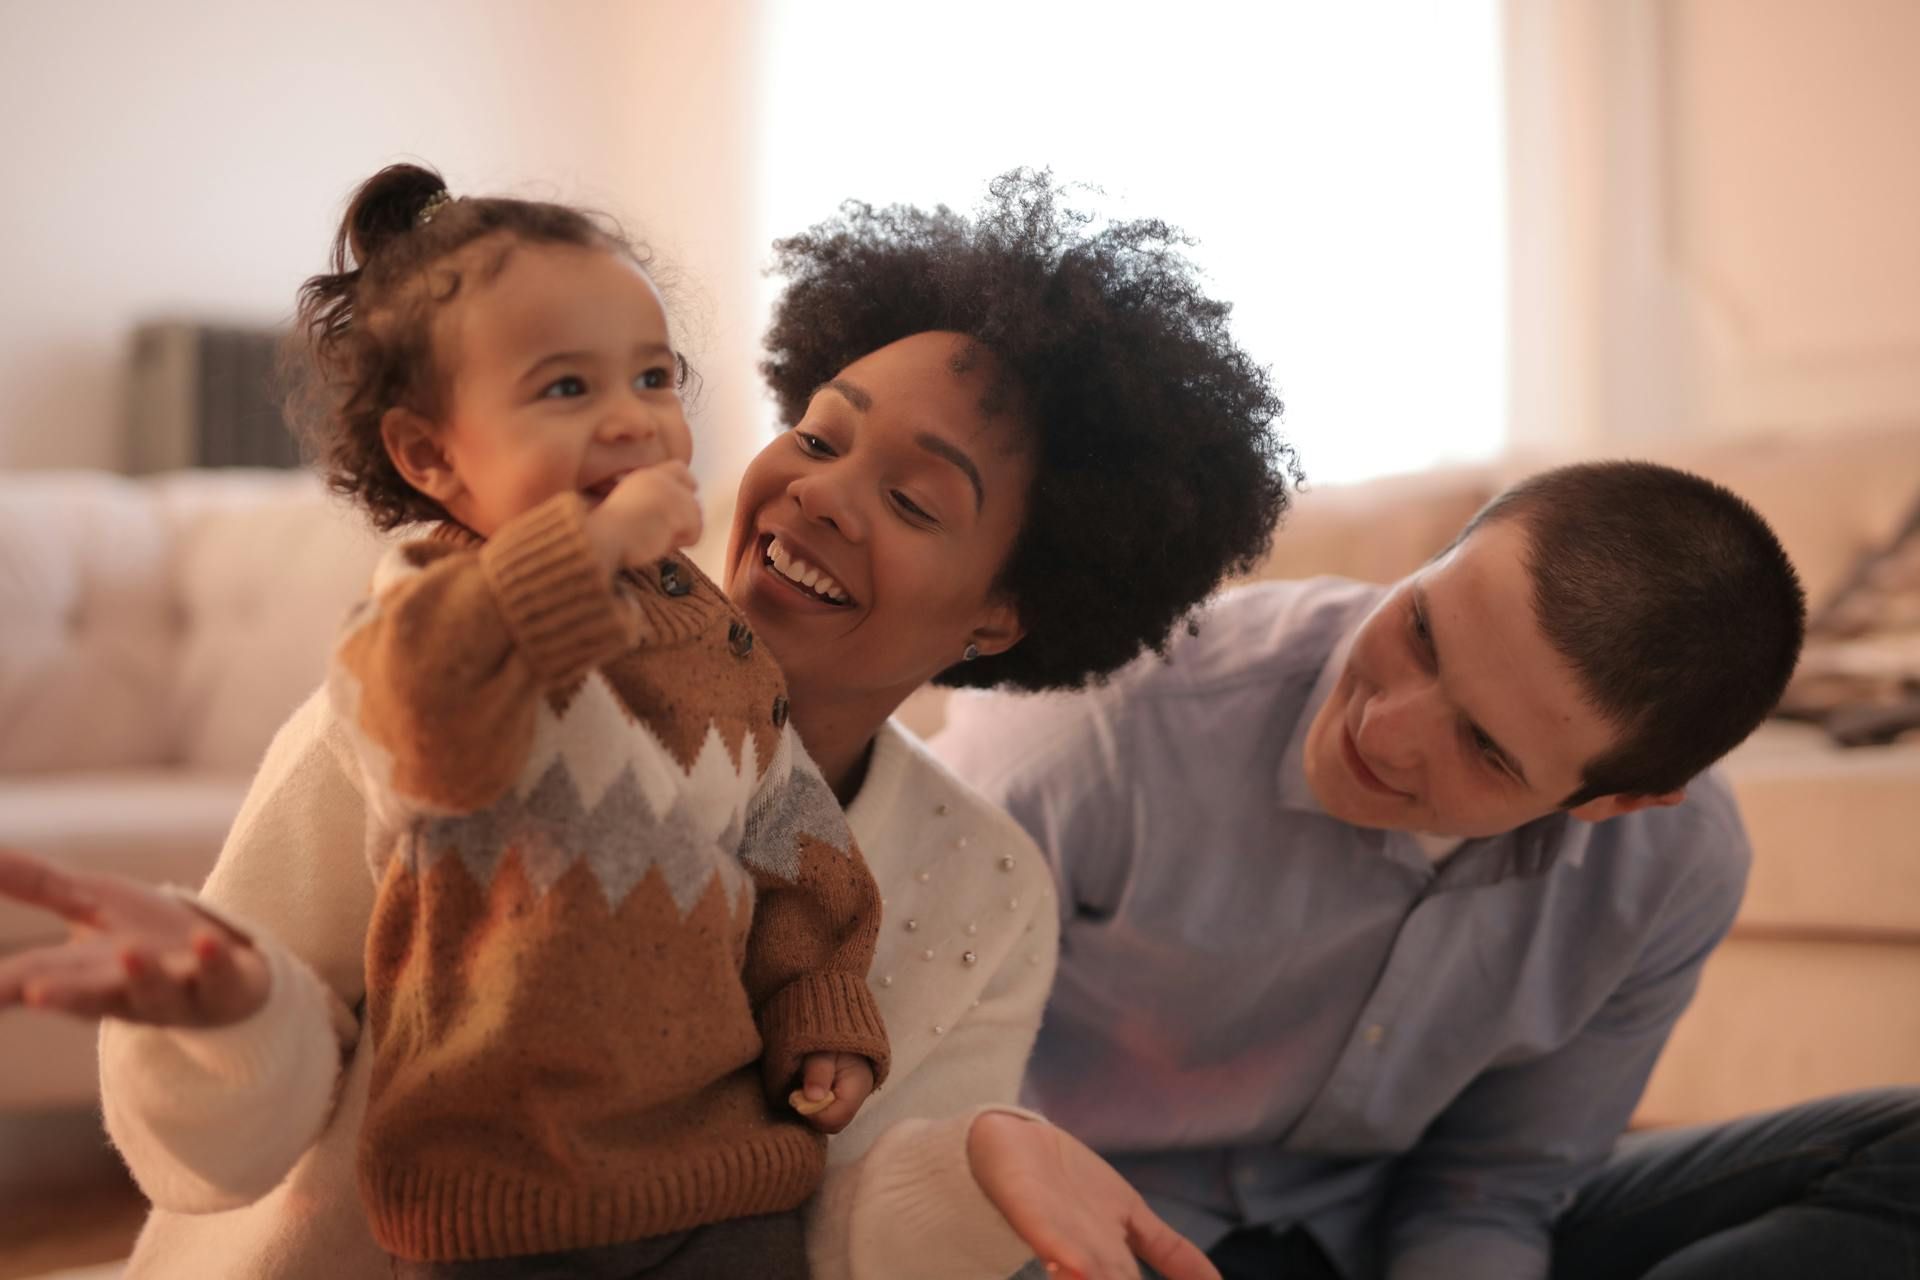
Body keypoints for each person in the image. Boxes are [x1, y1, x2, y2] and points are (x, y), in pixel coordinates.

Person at [0, 169, 1297, 1280]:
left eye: (909, 500)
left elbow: (838, 1241)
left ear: (1006, 610)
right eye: (817, 434)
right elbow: (209, 1161)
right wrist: (225, 1015)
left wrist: (977, 1161)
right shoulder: (444, 679)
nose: (818, 495)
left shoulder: (988, 891)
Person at [935, 459, 1920, 1280]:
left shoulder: (1671, 863)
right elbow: (899, 1110)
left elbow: (1491, 1190)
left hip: (1386, 1228)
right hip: (1098, 1237)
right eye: (1420, 631)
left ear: (1616, 798)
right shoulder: (1099, 727)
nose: (1384, 726)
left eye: (1486, 749)